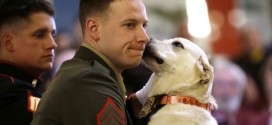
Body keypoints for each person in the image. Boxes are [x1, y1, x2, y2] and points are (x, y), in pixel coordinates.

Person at [31, 0, 150, 124]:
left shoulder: (91, 74)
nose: (144, 38)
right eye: (130, 25)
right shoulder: (89, 80)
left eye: (144, 26)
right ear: (94, 29)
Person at [0, 0, 57, 125]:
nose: (52, 44)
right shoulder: (16, 96)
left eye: (53, 34)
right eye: (40, 35)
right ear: (8, 42)